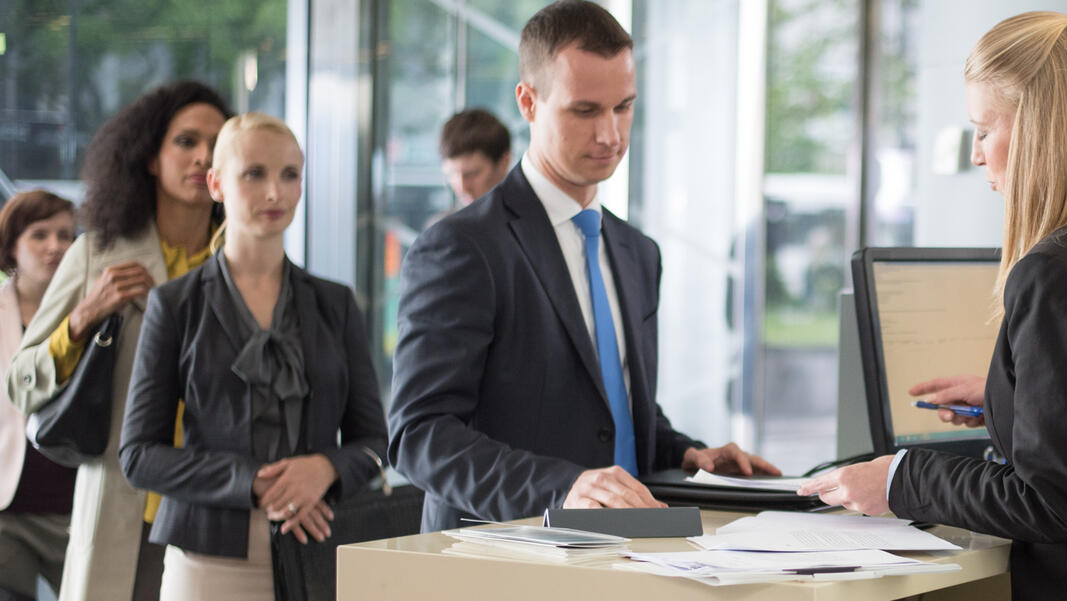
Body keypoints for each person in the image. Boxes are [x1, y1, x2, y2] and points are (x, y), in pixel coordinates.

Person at [796, 12, 1067, 601]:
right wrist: (1010, 396)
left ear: (1039, 129)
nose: (977, 155)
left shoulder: (1058, 272)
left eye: (983, 129)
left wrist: (902, 478)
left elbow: (1052, 503)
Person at [388, 0, 777, 533]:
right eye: (585, 110)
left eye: (623, 107)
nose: (610, 135)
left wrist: (687, 454)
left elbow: (607, 414)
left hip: (627, 553)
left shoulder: (637, 252)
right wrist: (562, 489)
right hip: (502, 561)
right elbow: (420, 435)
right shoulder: (462, 247)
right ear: (528, 102)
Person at [119, 112, 387, 601]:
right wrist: (253, 483)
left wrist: (324, 469)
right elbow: (138, 456)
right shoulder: (176, 304)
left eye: (290, 175)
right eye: (255, 174)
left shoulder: (336, 303)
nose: (275, 193)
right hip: (206, 563)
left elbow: (374, 441)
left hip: (321, 555)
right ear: (216, 184)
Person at [7, 80, 232, 601]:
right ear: (150, 157)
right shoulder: (96, 256)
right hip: (122, 512)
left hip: (218, 510)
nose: (203, 156)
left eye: (217, 144)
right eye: (186, 141)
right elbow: (21, 384)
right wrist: (82, 318)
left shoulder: (241, 266)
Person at [0, 190, 78, 601]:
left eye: (65, 235)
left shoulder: (91, 315)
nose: (55, 247)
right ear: (12, 242)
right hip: (7, 506)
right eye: (40, 235)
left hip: (77, 503)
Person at [439, 108, 514, 207]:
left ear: (504, 162)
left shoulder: (534, 216)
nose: (462, 188)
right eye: (452, 174)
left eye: (472, 174)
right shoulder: (442, 221)